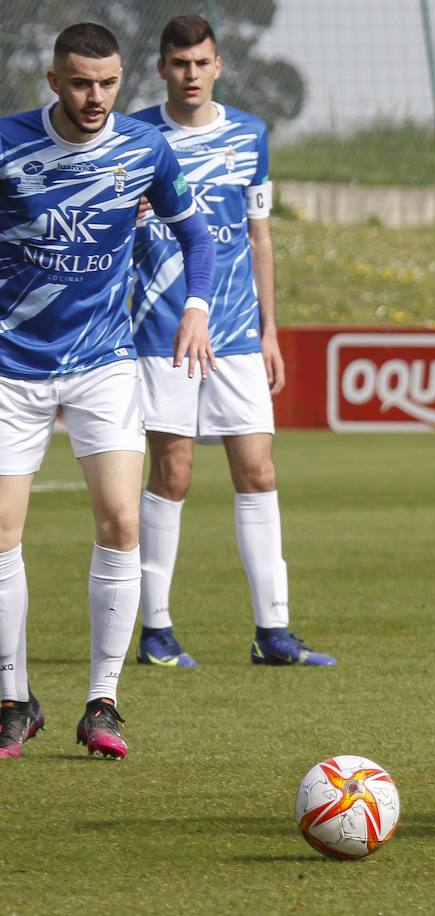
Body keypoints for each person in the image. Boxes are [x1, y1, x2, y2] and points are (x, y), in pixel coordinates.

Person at [0, 22, 215, 760]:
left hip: (103, 361)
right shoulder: (8, 144)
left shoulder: (145, 149)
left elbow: (198, 236)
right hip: (11, 364)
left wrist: (196, 307)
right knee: (1, 531)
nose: (97, 97)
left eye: (109, 83)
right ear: (54, 81)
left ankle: (103, 703)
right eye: (82, 83)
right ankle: (13, 701)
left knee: (122, 519)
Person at [128, 14, 334, 669]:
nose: (190, 75)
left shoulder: (250, 135)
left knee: (258, 471)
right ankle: (156, 631)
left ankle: (273, 631)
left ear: (218, 67)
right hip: (162, 329)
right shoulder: (133, 136)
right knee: (174, 474)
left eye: (201, 63)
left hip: (238, 332)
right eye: (179, 63)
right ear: (161, 67)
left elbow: (258, 236)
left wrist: (271, 330)